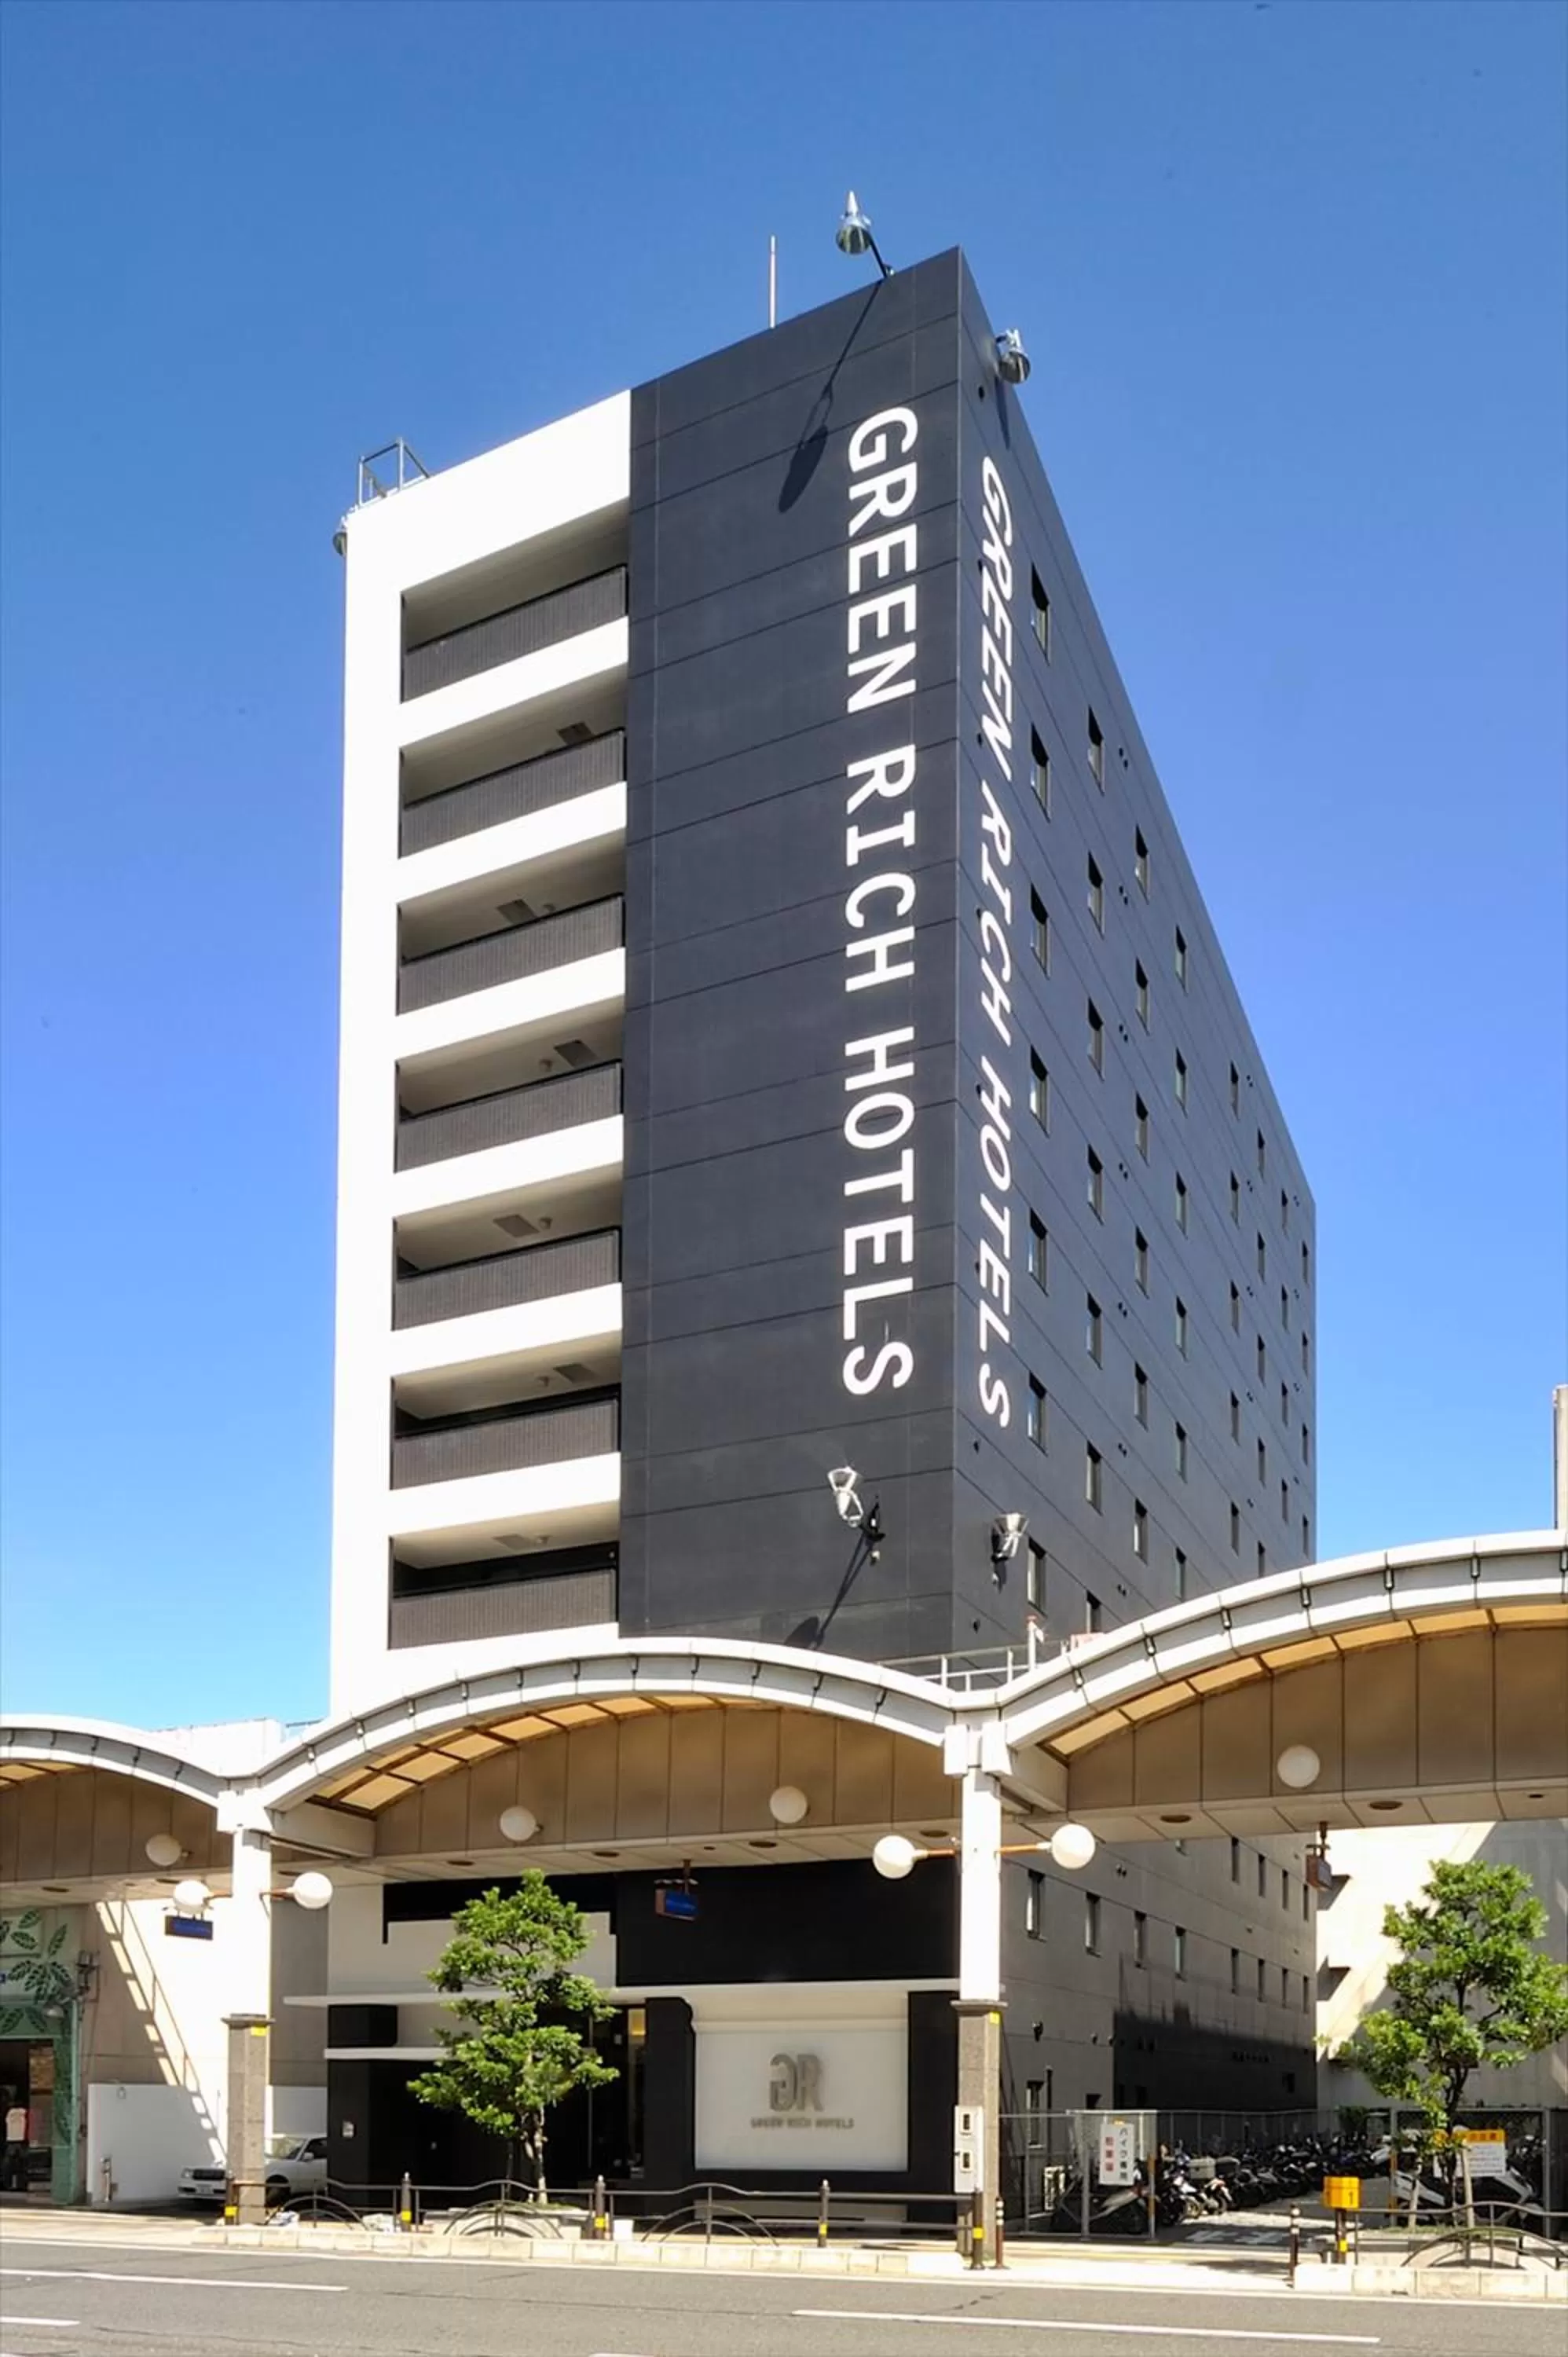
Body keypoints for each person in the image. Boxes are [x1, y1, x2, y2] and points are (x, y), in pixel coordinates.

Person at [2, 2095, 27, 2193]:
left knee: (9, 2165)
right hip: (21, 2140)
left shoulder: (10, 2112)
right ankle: (21, 2184)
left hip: (12, 2140)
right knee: (22, 2165)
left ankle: (8, 2184)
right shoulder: (24, 2112)